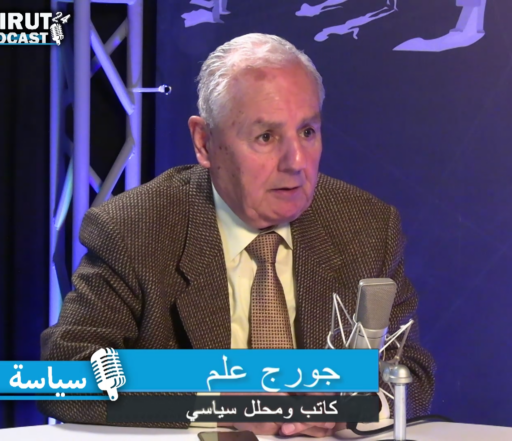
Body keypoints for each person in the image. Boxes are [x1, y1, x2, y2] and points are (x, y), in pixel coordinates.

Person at [39, 33, 435, 437]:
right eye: (266, 137)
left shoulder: (365, 226)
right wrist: (222, 401)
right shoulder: (136, 228)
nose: (296, 162)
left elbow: (411, 373)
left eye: (307, 132)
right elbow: (68, 373)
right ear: (204, 142)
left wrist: (352, 405)